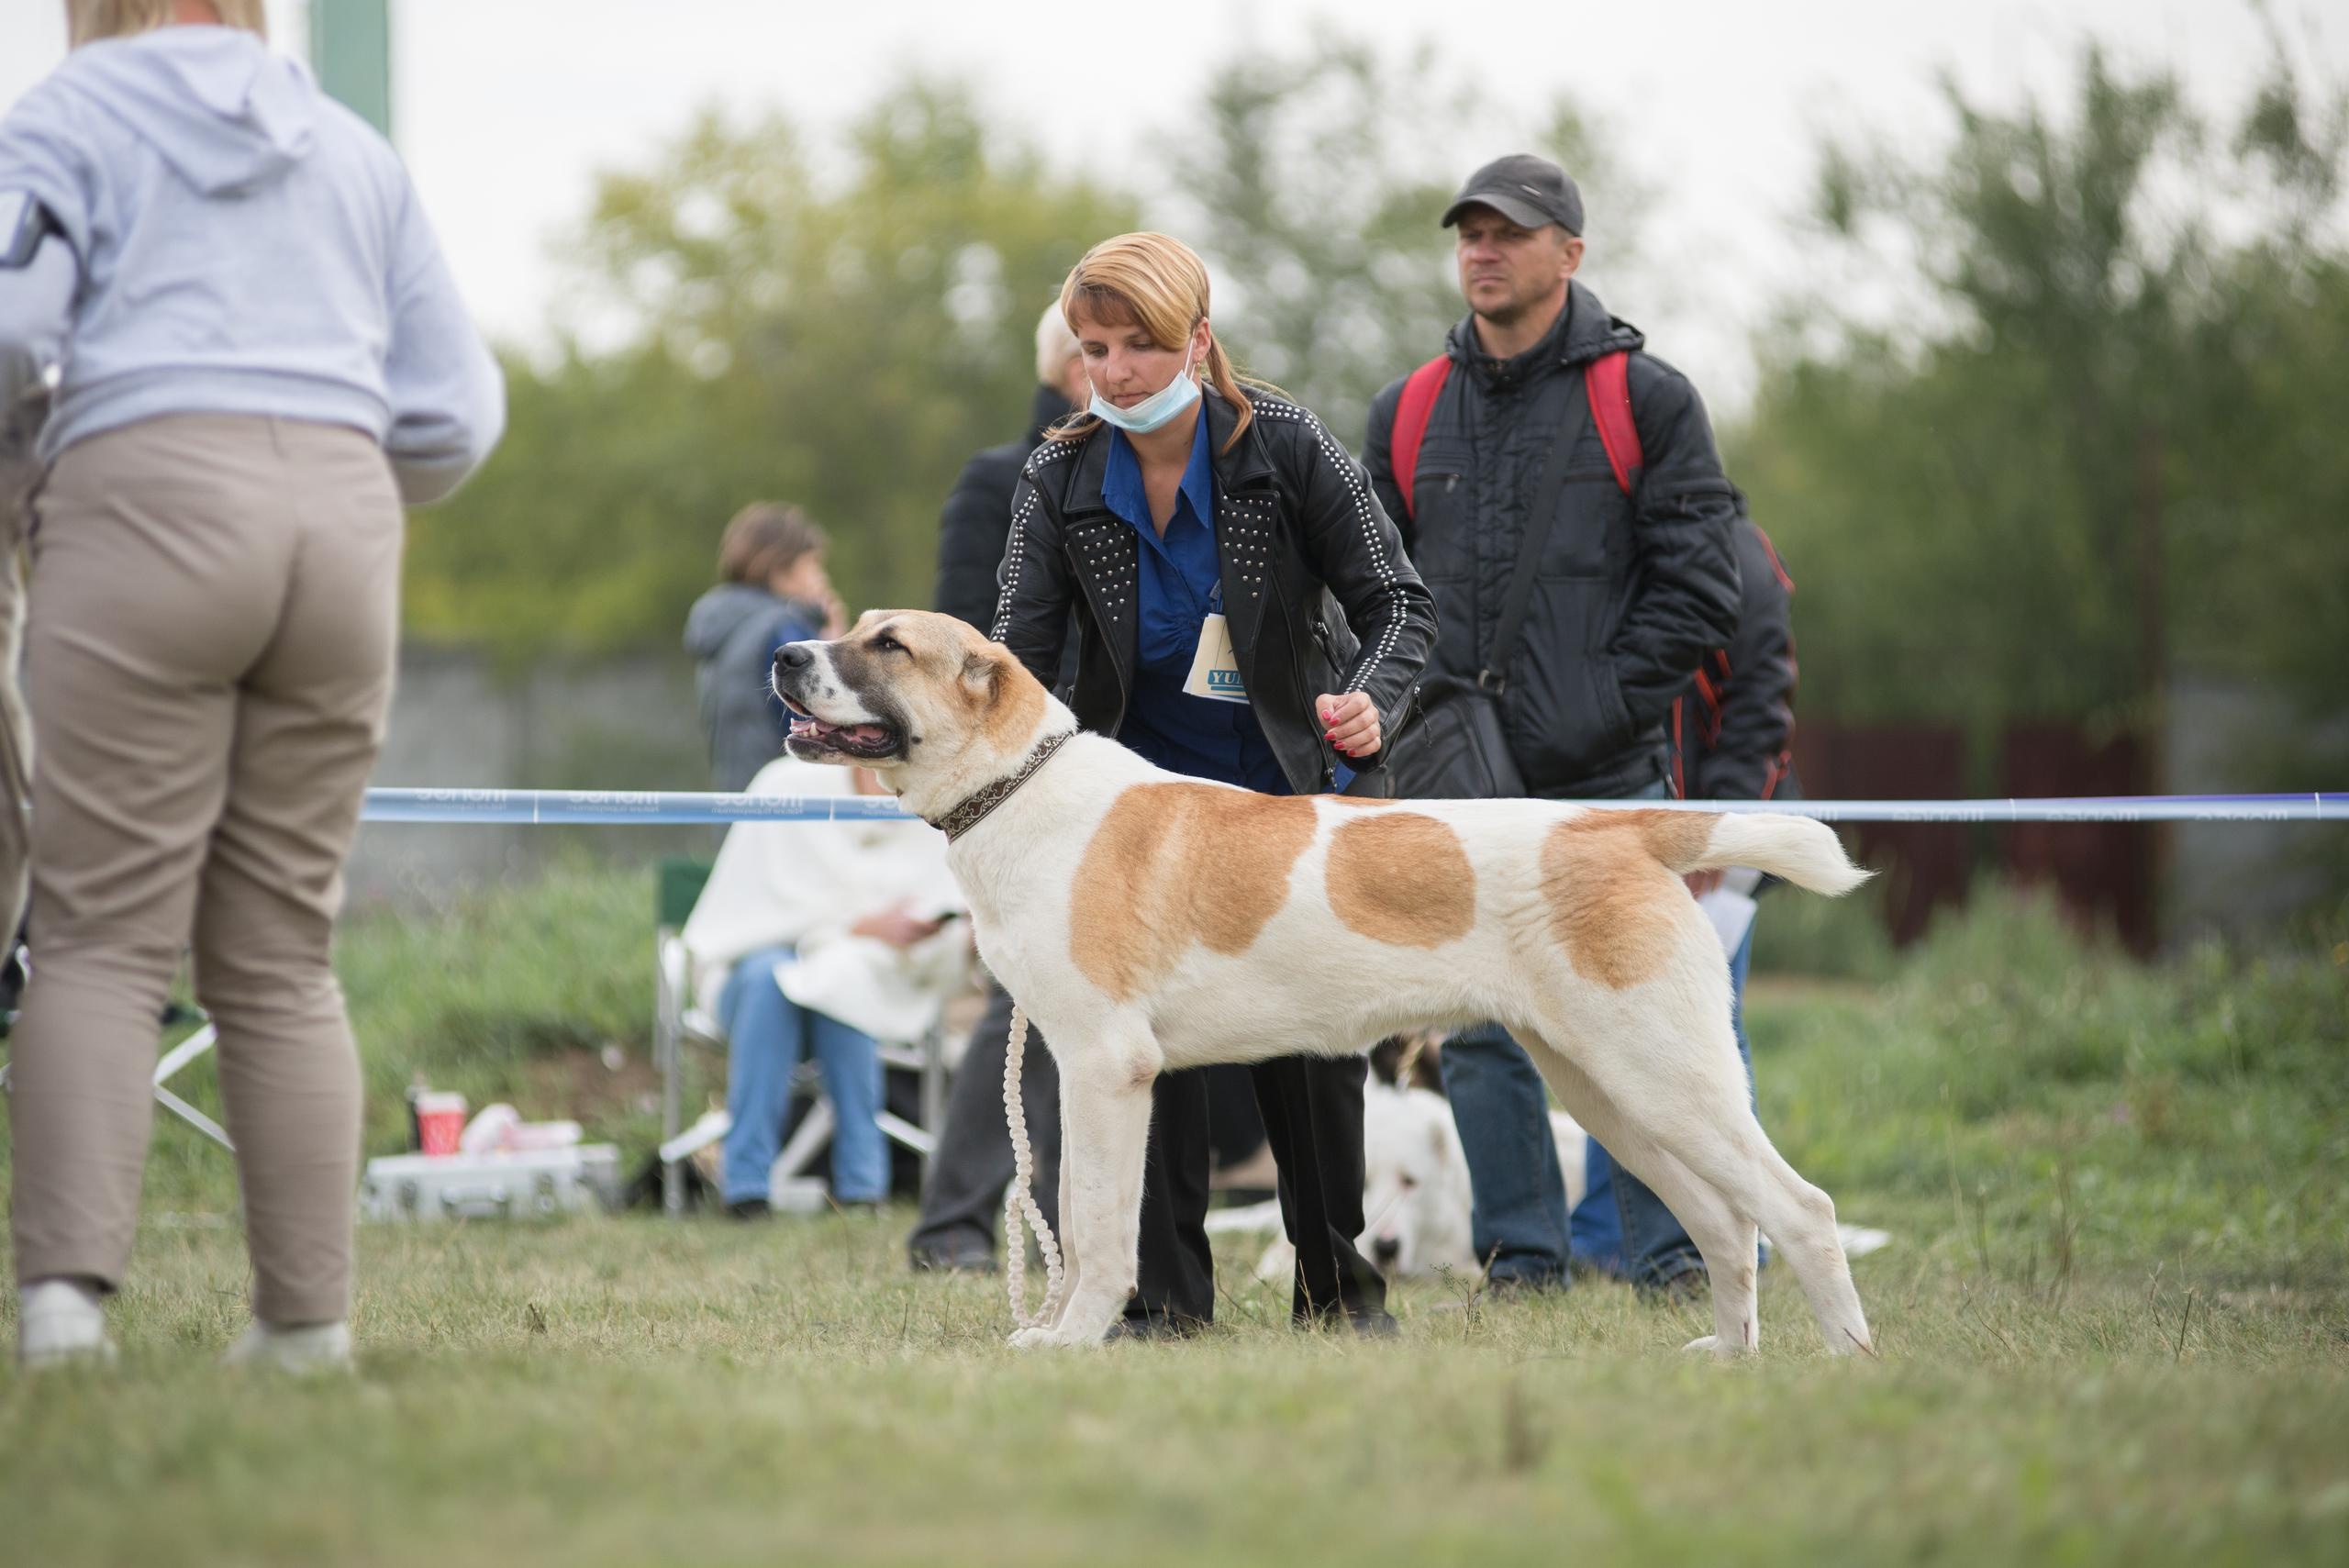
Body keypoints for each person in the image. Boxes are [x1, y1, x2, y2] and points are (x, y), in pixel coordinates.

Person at [1, 0, 504, 1371]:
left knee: (103, 935)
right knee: (282, 953)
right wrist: (329, 473)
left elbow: (6, 337)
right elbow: (459, 408)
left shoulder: (64, 117)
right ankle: (303, 1326)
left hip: (141, 488)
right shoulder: (350, 149)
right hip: (344, 522)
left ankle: (61, 1314)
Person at [992, 231, 1438, 1335]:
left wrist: (1377, 696)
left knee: (1317, 1052)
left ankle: (1338, 1293)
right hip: (1122, 819)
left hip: (1294, 796)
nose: (1116, 371)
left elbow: (1399, 601)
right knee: (1137, 1057)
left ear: (1199, 338)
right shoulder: (1056, 473)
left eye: (1140, 344)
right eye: (1095, 349)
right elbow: (1014, 661)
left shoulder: (1286, 443)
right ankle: (1162, 1305)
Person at [1365, 153, 1741, 1295]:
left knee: (1635, 1022)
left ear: (1568, 254)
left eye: (1509, 233)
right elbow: (1371, 591)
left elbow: (1702, 593)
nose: (1482, 250)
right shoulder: (1408, 406)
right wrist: (1404, 716)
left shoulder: (1648, 399)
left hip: (1605, 770)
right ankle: (1521, 1258)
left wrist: (1583, 706)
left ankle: (1670, 1255)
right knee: (1477, 1028)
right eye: (1469, 232)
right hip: (1456, 777)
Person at [1571, 506, 1799, 1280]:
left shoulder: (1740, 552)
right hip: (1614, 831)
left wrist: (1712, 831)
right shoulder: (1599, 539)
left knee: (1700, 1044)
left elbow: (1759, 707)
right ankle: (1605, 1238)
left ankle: (1748, 1229)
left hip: (1711, 846)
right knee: (1602, 1038)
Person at [906, 302, 1085, 1272]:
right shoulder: (993, 482)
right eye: (1101, 349)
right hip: (1021, 776)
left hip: (1116, 769)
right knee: (1021, 993)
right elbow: (962, 642)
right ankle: (953, 1223)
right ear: (1066, 366)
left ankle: (1063, 1218)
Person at [682, 751, 968, 1218]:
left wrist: (932, 934)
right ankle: (749, 1186)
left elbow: (948, 920)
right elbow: (747, 919)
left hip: (871, 987)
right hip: (758, 990)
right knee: (770, 979)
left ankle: (860, 1186)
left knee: (842, 979)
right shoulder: (788, 788)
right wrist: (856, 927)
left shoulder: (930, 802)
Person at [684, 502, 846, 792]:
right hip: (789, 802)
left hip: (737, 796)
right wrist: (836, 650)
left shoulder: (725, 629)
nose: (823, 578)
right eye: (813, 565)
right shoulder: (783, 629)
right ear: (782, 569)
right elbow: (820, 730)